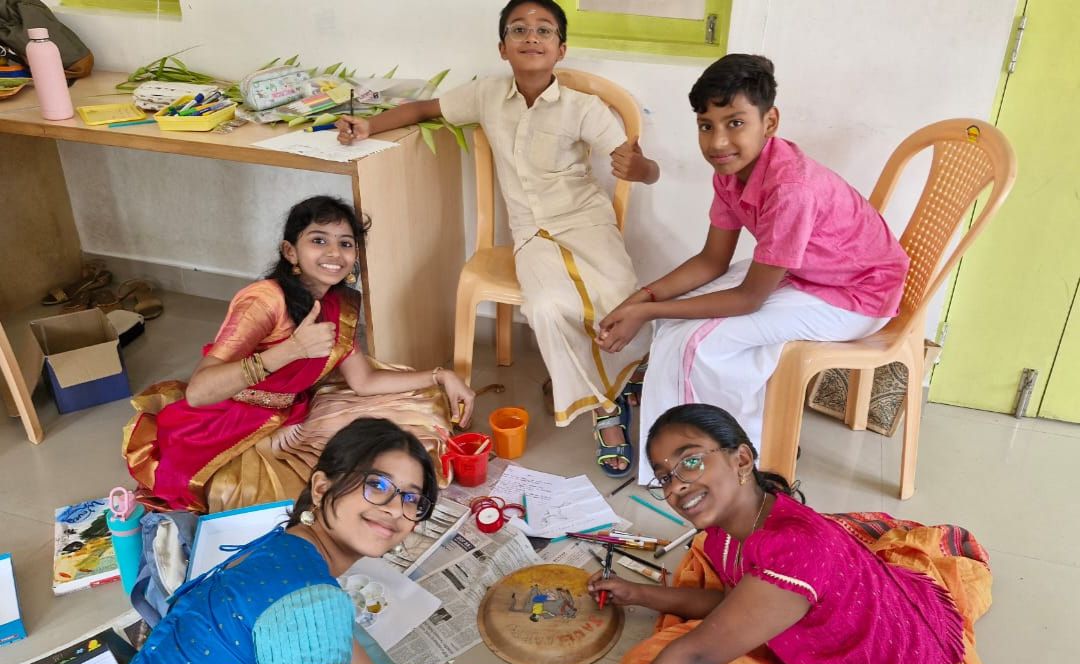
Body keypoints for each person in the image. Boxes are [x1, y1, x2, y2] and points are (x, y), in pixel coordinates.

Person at [336, 0, 660, 478]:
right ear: (503, 47)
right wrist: (369, 125)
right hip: (532, 235)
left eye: (544, 30)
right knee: (546, 307)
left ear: (561, 49)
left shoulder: (583, 107)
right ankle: (607, 410)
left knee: (620, 299)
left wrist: (640, 169)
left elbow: (643, 167)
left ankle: (622, 375)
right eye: (519, 29)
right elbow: (425, 108)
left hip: (588, 223)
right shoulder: (486, 94)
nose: (532, 37)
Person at [543, 404, 992, 664]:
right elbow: (737, 602)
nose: (676, 486)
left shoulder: (793, 550)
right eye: (665, 477)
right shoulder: (728, 527)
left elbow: (694, 658)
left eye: (691, 462)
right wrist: (639, 594)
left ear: (741, 459)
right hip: (844, 627)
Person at [87, 418, 548, 664]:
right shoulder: (311, 604)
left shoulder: (281, 550)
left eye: (413, 499)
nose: (395, 508)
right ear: (323, 486)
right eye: (377, 485)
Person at [594, 54, 910, 463]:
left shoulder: (791, 188)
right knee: (675, 321)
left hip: (857, 295)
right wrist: (641, 299)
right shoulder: (730, 172)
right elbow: (712, 260)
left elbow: (749, 299)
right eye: (706, 126)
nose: (718, 142)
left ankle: (711, 460)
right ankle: (747, 435)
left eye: (735, 123)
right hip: (811, 272)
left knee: (700, 344)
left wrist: (647, 311)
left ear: (770, 122)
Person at [123, 195, 475, 513]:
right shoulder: (264, 301)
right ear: (290, 252)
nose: (334, 253)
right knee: (313, 499)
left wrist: (440, 375)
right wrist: (290, 351)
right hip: (225, 422)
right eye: (319, 240)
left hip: (292, 413)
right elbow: (199, 392)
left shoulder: (338, 302)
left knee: (421, 416)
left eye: (345, 243)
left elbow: (364, 381)